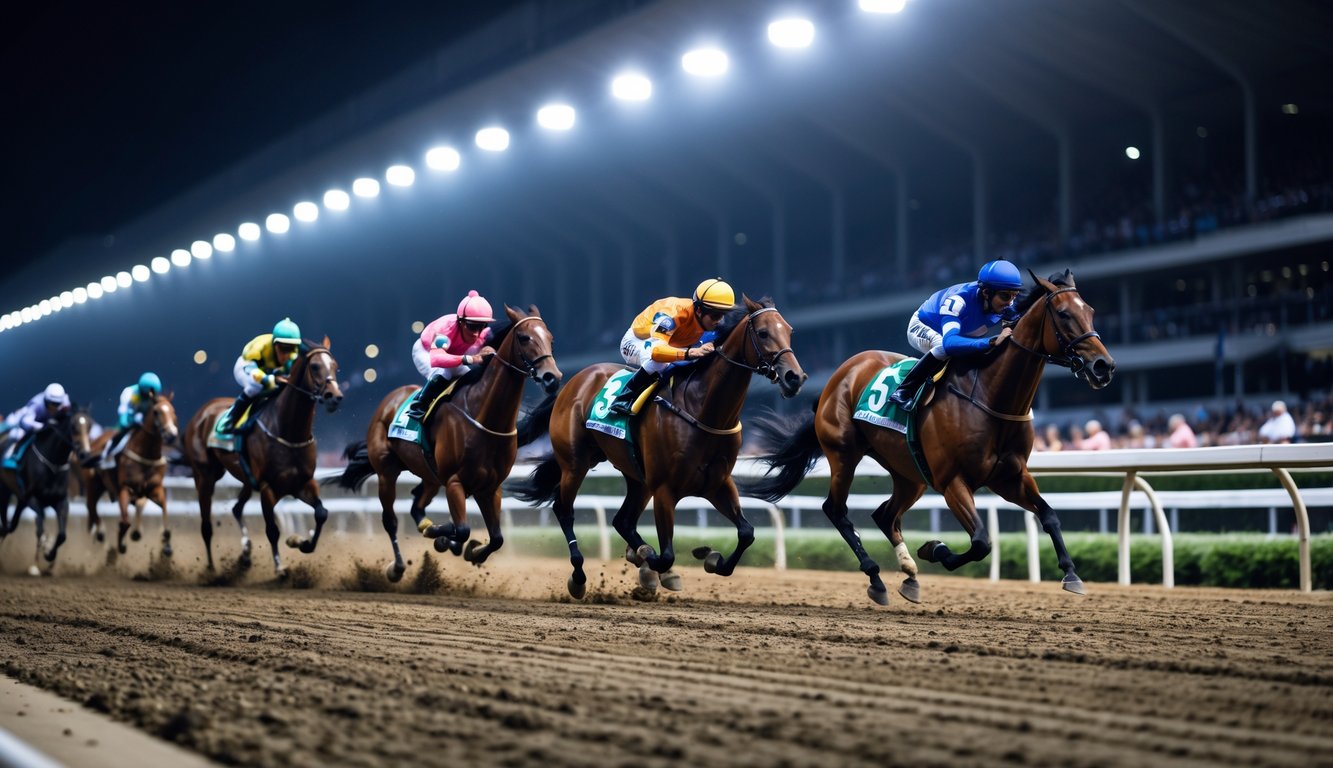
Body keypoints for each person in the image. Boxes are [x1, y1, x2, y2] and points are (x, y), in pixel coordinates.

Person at [888, 259, 1023, 410]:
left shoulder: (1006, 303)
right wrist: (991, 341)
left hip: (957, 334)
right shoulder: (959, 301)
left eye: (1014, 295)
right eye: (1005, 296)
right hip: (924, 326)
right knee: (942, 347)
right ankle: (904, 391)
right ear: (986, 292)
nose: (1010, 303)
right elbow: (949, 343)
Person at [608, 278, 734, 416]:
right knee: (660, 362)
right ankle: (623, 398)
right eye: (715, 316)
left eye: (723, 315)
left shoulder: (708, 319)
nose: (720, 320)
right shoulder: (671, 317)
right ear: (698, 310)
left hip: (672, 342)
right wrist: (689, 353)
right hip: (638, 341)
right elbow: (657, 352)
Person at [406, 290, 497, 422]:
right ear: (461, 322)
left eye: (481, 326)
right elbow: (438, 359)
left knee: (470, 377)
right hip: (426, 352)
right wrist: (471, 359)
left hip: (452, 354)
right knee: (443, 374)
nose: (476, 334)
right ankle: (418, 407)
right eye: (472, 327)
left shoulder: (482, 332)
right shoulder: (445, 330)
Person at [219, 318, 303, 435]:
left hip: (269, 371)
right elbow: (252, 371)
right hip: (247, 367)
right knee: (255, 387)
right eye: (283, 348)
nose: (287, 354)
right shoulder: (260, 345)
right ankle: (229, 420)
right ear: (275, 344)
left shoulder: (293, 356)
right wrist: (269, 379)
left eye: (292, 348)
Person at [100, 372, 162, 465]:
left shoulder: (154, 396)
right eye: (149, 394)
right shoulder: (130, 392)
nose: (152, 396)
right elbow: (124, 409)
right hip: (129, 421)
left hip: (143, 423)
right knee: (119, 434)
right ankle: (107, 454)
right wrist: (126, 422)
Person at [2, 383, 70, 462]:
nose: (53, 408)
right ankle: (8, 456)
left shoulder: (65, 402)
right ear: (45, 400)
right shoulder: (36, 404)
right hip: (19, 421)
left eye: (57, 404)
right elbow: (25, 422)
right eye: (51, 404)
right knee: (15, 435)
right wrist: (42, 426)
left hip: (43, 421)